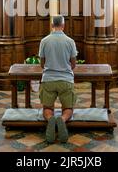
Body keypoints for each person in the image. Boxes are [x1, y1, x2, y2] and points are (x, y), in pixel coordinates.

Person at [38, 15, 77, 143]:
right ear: (63, 25)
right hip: (66, 80)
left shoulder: (44, 41)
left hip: (48, 79)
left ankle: (51, 119)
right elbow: (73, 64)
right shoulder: (70, 41)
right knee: (68, 108)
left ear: (52, 25)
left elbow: (42, 64)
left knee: (47, 108)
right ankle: (63, 119)